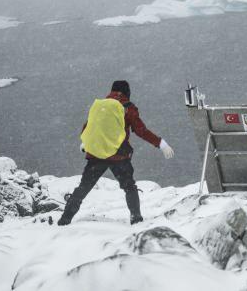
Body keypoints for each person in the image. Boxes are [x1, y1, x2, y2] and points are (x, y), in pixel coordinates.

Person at [58, 80, 174, 226]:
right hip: (118, 155)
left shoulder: (100, 106)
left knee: (84, 187)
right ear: (127, 93)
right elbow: (141, 131)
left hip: (96, 155)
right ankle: (136, 219)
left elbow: (88, 126)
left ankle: (65, 219)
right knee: (129, 187)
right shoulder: (128, 108)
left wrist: (85, 144)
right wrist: (161, 143)